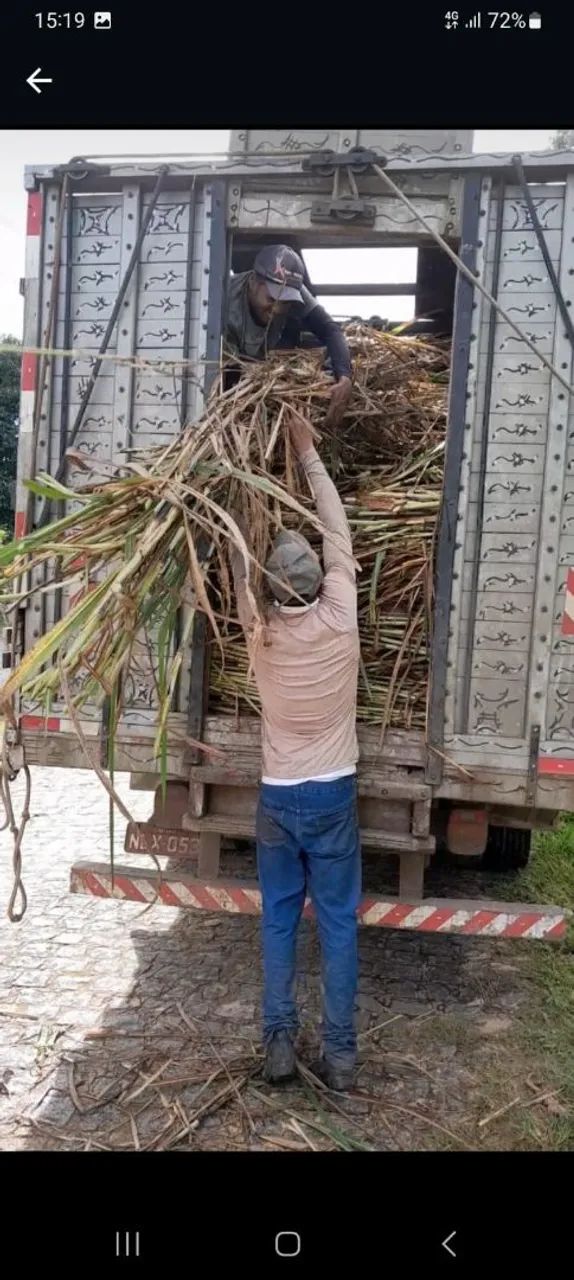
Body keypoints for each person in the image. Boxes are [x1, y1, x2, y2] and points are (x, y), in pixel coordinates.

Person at [228, 409, 361, 1092]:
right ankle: (339, 1057)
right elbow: (337, 530)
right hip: (333, 796)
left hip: (278, 799)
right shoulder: (342, 615)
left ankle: (278, 1043)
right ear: (316, 577)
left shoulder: (260, 632)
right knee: (337, 924)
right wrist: (308, 455)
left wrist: (229, 473)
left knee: (278, 920)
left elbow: (232, 557)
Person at [225, 244, 353, 428]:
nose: (277, 309)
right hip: (236, 366)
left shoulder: (293, 289)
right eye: (272, 299)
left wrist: (345, 376)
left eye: (285, 302)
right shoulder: (224, 298)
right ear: (254, 281)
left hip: (269, 357)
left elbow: (330, 330)